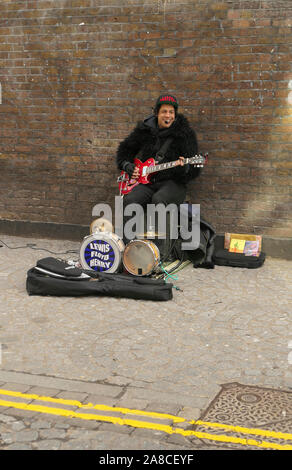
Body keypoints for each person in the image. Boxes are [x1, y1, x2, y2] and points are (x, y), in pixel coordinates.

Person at [116, 93, 201, 244]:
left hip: (174, 184)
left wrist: (184, 168)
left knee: (159, 200)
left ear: (175, 114)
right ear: (156, 113)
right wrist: (128, 166)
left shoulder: (185, 134)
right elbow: (124, 150)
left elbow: (195, 169)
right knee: (130, 200)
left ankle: (158, 253)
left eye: (171, 112)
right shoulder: (145, 130)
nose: (167, 115)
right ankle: (128, 248)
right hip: (149, 182)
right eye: (164, 112)